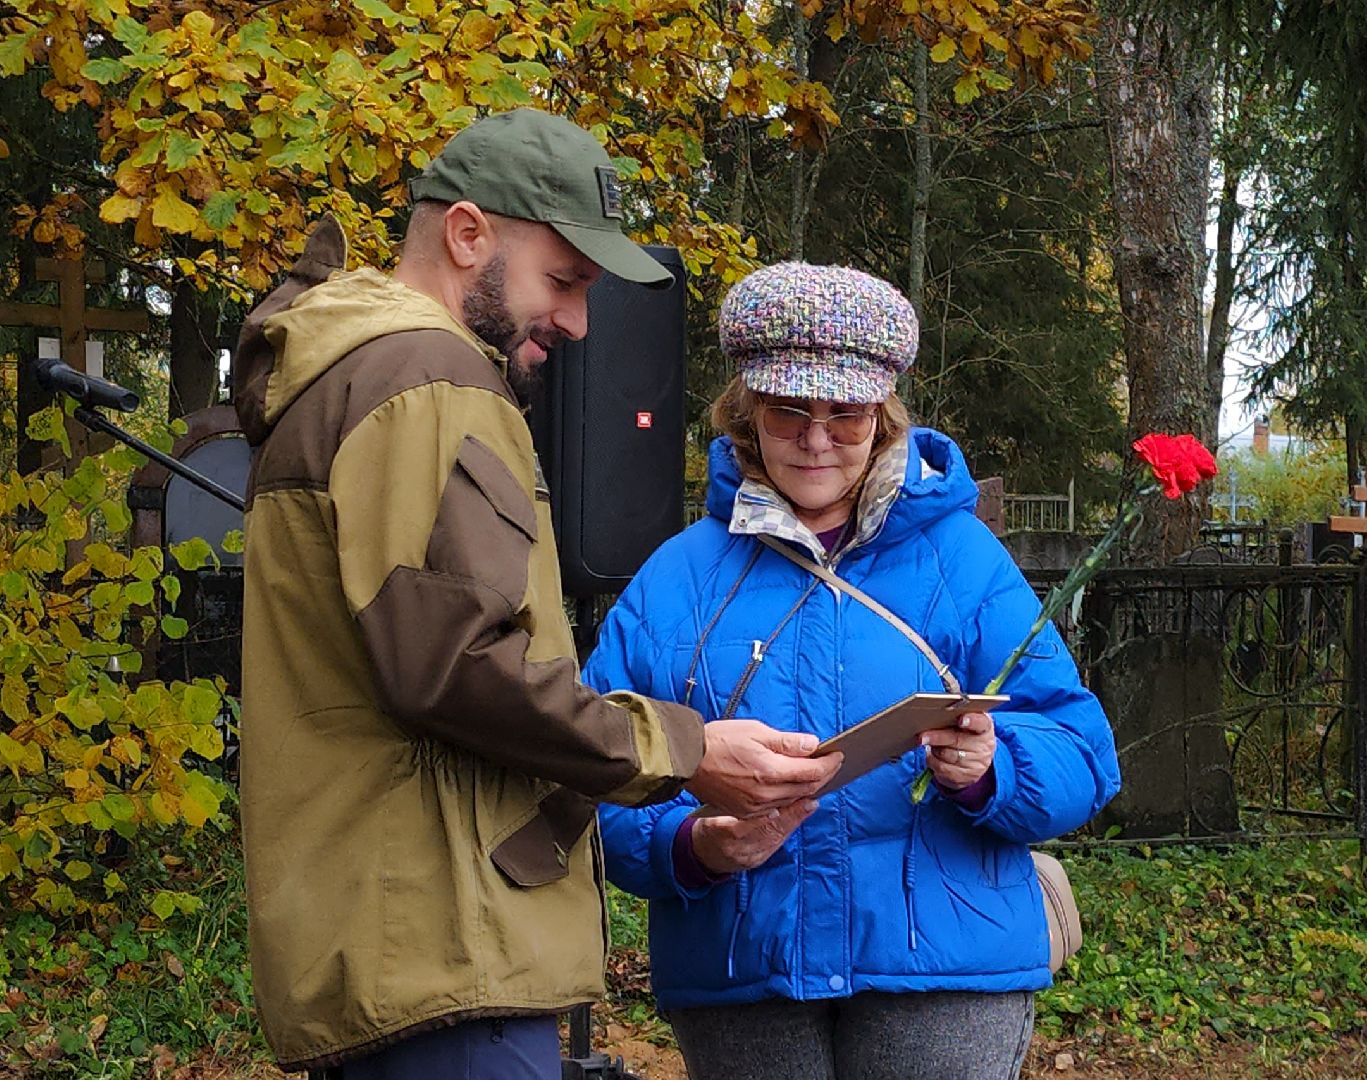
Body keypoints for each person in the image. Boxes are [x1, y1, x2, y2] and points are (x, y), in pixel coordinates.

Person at [232, 110, 841, 1079]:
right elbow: (455, 666)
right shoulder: (430, 377)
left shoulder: (346, 372)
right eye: (562, 281)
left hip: (390, 937)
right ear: (467, 234)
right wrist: (681, 749)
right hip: (443, 945)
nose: (577, 322)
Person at [584, 262, 1122, 1080]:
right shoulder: (677, 579)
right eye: (788, 412)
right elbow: (592, 768)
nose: (816, 438)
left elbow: (1081, 749)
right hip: (742, 966)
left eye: (846, 414)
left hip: (943, 968)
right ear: (745, 411)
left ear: (884, 415)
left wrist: (989, 770)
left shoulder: (962, 561)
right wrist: (694, 846)